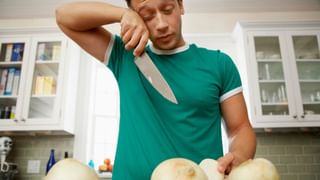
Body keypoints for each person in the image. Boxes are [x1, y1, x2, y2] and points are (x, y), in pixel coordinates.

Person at [56, 0, 256, 179]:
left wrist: (239, 156)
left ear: (181, 5)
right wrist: (122, 15)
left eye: (167, 9)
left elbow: (240, 128)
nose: (161, 24)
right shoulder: (125, 56)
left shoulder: (219, 64)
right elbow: (64, 16)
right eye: (147, 16)